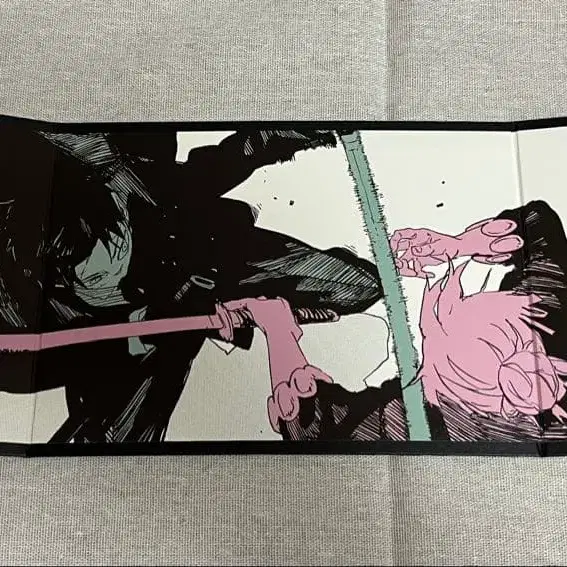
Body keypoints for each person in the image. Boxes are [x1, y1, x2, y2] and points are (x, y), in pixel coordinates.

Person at [0, 121, 384, 443]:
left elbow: (229, 159)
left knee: (358, 287)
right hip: (145, 339)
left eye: (121, 242)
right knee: (119, 451)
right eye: (100, 274)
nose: (121, 266)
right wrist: (155, 329)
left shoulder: (138, 188)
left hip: (204, 259)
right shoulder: (33, 326)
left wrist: (302, 131)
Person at [243, 200, 567, 442]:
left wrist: (279, 330)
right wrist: (457, 245)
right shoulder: (546, 315)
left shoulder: (419, 423)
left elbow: (312, 426)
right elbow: (537, 229)